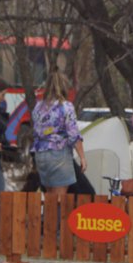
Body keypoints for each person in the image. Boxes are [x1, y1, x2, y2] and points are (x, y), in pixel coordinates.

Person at [31, 69, 86, 198]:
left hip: (41, 155)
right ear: (64, 87)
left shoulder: (38, 107)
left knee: (50, 196)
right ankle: (56, 218)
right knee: (59, 199)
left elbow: (37, 131)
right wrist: (82, 157)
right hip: (59, 155)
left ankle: (49, 218)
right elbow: (73, 135)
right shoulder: (66, 107)